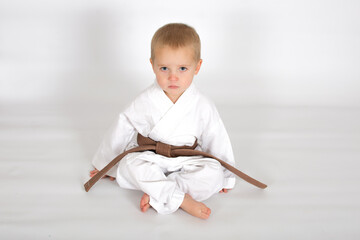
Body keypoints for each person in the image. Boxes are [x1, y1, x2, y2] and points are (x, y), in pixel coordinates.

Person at [89, 23, 235, 219]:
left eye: (183, 68)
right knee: (129, 165)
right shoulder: (145, 99)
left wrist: (225, 177)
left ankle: (159, 193)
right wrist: (106, 163)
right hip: (149, 155)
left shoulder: (203, 104)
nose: (173, 77)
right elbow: (123, 125)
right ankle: (182, 199)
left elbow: (216, 136)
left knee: (213, 173)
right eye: (164, 68)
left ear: (197, 67)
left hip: (187, 157)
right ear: (152, 65)